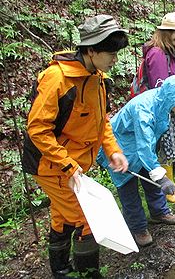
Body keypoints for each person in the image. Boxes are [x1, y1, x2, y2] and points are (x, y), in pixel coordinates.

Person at [22, 15, 129, 278]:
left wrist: (113, 150)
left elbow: (101, 120)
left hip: (74, 164)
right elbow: (37, 129)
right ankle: (89, 273)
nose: (115, 59)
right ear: (91, 50)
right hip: (51, 164)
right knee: (88, 218)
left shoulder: (97, 78)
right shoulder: (56, 79)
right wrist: (68, 166)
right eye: (111, 53)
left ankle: (61, 270)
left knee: (62, 214)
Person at [96, 75, 175, 247]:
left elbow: (149, 141)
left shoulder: (162, 102)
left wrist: (156, 172)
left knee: (152, 181)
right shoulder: (144, 108)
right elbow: (143, 144)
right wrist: (162, 176)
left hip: (142, 147)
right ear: (172, 97)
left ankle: (159, 212)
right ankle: (138, 227)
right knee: (128, 189)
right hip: (121, 148)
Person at [142, 12, 175, 203]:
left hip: (172, 109)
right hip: (164, 110)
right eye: (174, 33)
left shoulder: (170, 51)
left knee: (171, 145)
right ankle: (166, 189)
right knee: (164, 146)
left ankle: (170, 182)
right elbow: (159, 87)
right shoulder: (158, 54)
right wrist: (171, 109)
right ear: (165, 32)